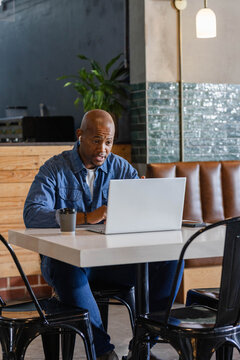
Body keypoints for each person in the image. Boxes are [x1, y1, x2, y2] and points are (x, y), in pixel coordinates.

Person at [23, 109, 183, 360]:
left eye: (109, 142)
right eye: (97, 140)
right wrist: (86, 217)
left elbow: (140, 215)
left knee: (171, 260)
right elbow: (32, 214)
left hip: (112, 264)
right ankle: (104, 353)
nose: (104, 148)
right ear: (80, 136)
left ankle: (143, 346)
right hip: (68, 265)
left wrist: (144, 198)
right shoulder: (54, 168)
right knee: (65, 265)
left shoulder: (121, 167)